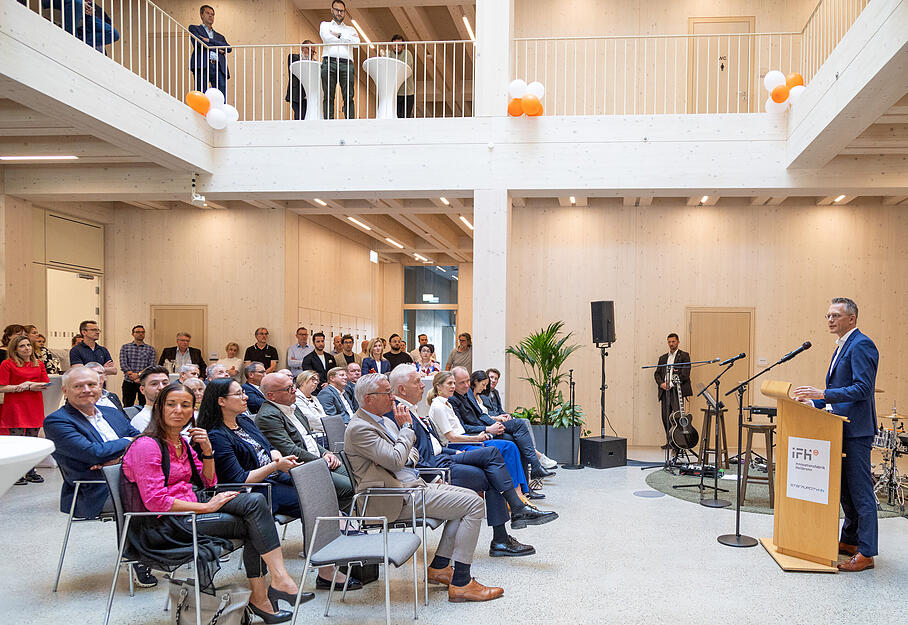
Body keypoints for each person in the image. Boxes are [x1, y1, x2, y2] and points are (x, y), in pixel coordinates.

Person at [122, 383, 313, 620]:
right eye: (171, 404)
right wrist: (206, 507)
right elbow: (155, 501)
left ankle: (272, 587)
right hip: (163, 524)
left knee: (255, 505)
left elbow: (209, 482)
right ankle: (268, 593)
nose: (179, 410)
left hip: (190, 505)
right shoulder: (147, 445)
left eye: (186, 405)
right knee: (256, 521)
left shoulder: (181, 442)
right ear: (158, 408)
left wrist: (207, 450)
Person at [344, 373, 504, 602]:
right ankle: (462, 583)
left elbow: (411, 455)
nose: (392, 398)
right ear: (369, 399)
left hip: (411, 484)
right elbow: (397, 458)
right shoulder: (360, 427)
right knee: (473, 504)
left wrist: (399, 454)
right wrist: (406, 432)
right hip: (391, 497)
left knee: (470, 499)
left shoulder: (386, 421)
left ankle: (440, 567)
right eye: (386, 393)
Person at [390, 366, 555, 557]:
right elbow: (413, 455)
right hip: (437, 465)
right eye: (417, 381)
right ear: (402, 389)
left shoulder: (411, 409)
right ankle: (509, 525)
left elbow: (432, 443)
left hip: (446, 453)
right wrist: (435, 477)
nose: (422, 385)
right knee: (494, 468)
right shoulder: (400, 413)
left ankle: (515, 513)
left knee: (494, 454)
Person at [42, 365, 158, 588]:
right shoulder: (58, 421)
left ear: (100, 386)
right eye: (78, 386)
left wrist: (114, 458)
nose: (87, 390)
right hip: (93, 487)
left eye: (92, 384)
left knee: (177, 484)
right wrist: (125, 444)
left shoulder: (113, 413)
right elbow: (91, 453)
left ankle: (172, 545)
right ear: (65, 391)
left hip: (130, 476)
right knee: (145, 494)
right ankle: (139, 557)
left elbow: (144, 440)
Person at [793, 297, 879, 572]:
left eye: (835, 316)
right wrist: (814, 403)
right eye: (828, 315)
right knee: (844, 491)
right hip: (839, 427)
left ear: (851, 319)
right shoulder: (842, 346)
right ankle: (851, 540)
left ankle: (866, 553)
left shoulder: (861, 344)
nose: (830, 320)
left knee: (861, 492)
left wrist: (823, 394)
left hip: (856, 431)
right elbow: (839, 393)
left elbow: (862, 389)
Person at [257, 374, 355, 515]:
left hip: (318, 459)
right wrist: (322, 461)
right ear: (271, 395)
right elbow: (290, 450)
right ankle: (337, 526)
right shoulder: (269, 416)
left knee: (357, 479)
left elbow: (309, 439)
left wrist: (326, 453)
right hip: (303, 467)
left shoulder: (293, 407)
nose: (295, 391)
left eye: (293, 386)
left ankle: (346, 523)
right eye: (289, 388)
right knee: (350, 487)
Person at [428, 371, 529, 495]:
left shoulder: (447, 403)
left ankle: (520, 492)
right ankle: (517, 494)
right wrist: (478, 438)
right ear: (439, 386)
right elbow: (451, 437)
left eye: (454, 383)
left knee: (511, 445)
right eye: (449, 383)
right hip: (457, 445)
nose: (453, 386)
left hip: (465, 439)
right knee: (508, 446)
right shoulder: (438, 406)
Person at [482, 368, 557, 470]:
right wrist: (498, 418)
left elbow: (500, 410)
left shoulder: (495, 393)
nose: (494, 380)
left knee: (525, 421)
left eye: (496, 378)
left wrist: (507, 415)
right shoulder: (481, 393)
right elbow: (485, 414)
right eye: (491, 377)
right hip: (493, 422)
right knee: (521, 423)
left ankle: (533, 451)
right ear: (486, 379)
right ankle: (537, 456)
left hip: (502, 420)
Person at [0, 335, 51, 484]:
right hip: (16, 405)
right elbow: (2, 387)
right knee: (17, 441)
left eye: (28, 345)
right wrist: (24, 386)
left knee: (32, 439)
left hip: (34, 404)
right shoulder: (7, 364)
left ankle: (30, 470)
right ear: (15, 349)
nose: (26, 348)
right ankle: (15, 472)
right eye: (22, 346)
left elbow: (45, 383)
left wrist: (33, 385)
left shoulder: (39, 364)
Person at [319, 0, 359, 119]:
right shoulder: (325, 25)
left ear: (345, 12)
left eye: (342, 11)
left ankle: (350, 122)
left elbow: (356, 43)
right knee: (328, 95)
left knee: (348, 96)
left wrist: (338, 35)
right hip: (329, 62)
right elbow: (326, 39)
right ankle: (328, 122)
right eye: (337, 10)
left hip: (346, 64)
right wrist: (346, 40)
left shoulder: (351, 29)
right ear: (332, 10)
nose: (339, 13)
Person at [654, 333, 691, 449]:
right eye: (669, 342)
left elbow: (685, 374)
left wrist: (671, 384)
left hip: (677, 390)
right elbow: (657, 374)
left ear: (678, 342)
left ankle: (679, 442)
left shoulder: (684, 356)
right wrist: (661, 384)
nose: (671, 344)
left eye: (673, 341)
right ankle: (670, 441)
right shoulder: (663, 358)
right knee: (665, 417)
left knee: (677, 416)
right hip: (665, 391)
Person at [188, 4, 231, 96]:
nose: (211, 16)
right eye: (208, 13)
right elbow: (199, 43)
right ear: (201, 15)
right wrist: (218, 49)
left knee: (221, 95)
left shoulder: (220, 36)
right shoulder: (194, 28)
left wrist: (210, 40)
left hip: (218, 66)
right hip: (203, 64)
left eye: (212, 14)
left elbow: (229, 48)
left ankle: (219, 110)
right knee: (201, 93)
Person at [118, 325, 156, 407]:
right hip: (128, 381)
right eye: (138, 332)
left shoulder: (150, 349)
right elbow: (123, 363)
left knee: (144, 405)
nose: (140, 334)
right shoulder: (125, 347)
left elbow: (151, 366)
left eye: (142, 332)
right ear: (133, 334)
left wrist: (139, 375)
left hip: (143, 382)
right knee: (127, 405)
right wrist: (131, 375)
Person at [130, 366, 171, 432]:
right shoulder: (141, 420)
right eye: (154, 384)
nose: (161, 387)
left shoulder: (175, 413)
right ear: (142, 390)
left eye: (165, 383)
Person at [285, 40, 316, 120]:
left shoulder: (314, 63)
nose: (311, 53)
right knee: (299, 116)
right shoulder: (293, 57)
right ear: (302, 48)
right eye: (309, 50)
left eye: (313, 52)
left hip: (308, 95)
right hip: (296, 94)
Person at [386, 35, 415, 118]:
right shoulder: (389, 54)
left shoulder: (407, 53)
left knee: (406, 116)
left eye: (399, 45)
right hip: (395, 92)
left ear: (403, 46)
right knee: (397, 116)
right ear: (391, 45)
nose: (396, 47)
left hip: (407, 91)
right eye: (394, 45)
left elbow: (406, 68)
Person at [293, 370, 328, 436]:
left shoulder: (315, 398)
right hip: (312, 434)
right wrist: (330, 425)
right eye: (313, 379)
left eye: (317, 380)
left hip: (324, 431)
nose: (316, 382)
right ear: (302, 382)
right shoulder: (296, 398)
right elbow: (310, 419)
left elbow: (323, 415)